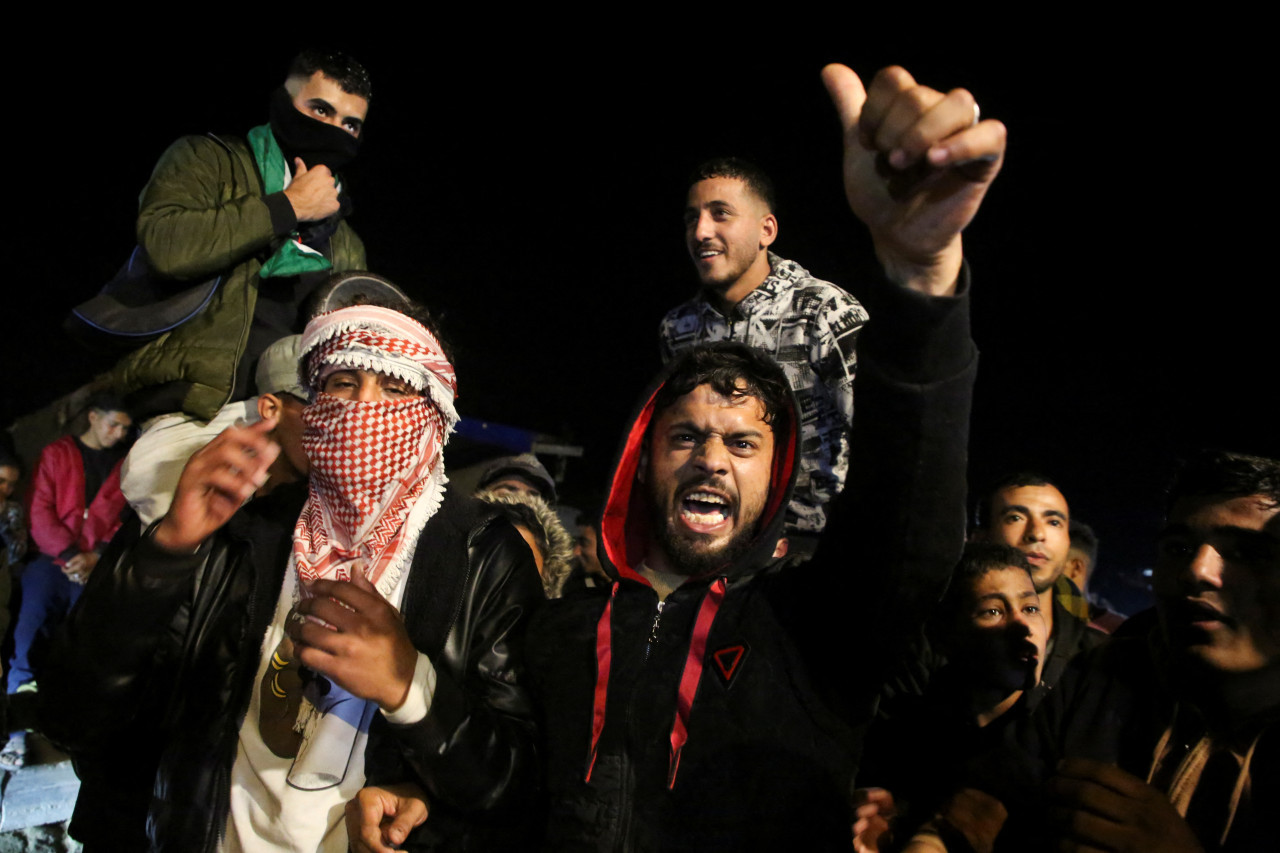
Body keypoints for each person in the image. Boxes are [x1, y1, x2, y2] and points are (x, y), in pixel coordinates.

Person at [352, 60, 1004, 851]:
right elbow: (515, 788)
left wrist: (921, 280)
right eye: (687, 435)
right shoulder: (559, 634)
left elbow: (904, 496)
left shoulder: (810, 638)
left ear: (767, 227)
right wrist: (427, 793)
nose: (701, 230)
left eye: (742, 440)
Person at [42, 292, 543, 851]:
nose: (362, 410)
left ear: (434, 411)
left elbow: (514, 784)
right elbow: (75, 717)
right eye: (342, 384)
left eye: (395, 388)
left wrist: (411, 690)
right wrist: (164, 554)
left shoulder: (480, 554)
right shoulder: (242, 530)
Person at [907, 449, 1279, 852]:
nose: (1196, 571)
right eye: (1179, 548)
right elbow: (985, 804)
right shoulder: (1100, 677)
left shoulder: (1094, 646)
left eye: (1246, 551)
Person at [107, 49, 371, 422]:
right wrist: (289, 207)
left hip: (287, 424)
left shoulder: (345, 240)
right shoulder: (208, 160)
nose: (334, 130)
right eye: (320, 110)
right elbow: (168, 249)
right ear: (284, 99)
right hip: (192, 407)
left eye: (350, 125)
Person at [659, 156, 869, 541]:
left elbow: (879, 440)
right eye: (692, 217)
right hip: (714, 542)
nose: (701, 230)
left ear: (766, 230)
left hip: (814, 546)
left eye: (720, 214)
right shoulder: (679, 329)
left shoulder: (825, 312)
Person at [853, 543, 1048, 852]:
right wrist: (881, 817)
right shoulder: (906, 732)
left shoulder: (1055, 736)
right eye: (993, 611)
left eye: (1030, 608)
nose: (1023, 626)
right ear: (945, 635)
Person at [7, 394, 131, 695]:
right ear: (93, 417)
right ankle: (18, 708)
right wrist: (71, 554)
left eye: (125, 429)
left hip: (93, 564)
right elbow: (39, 508)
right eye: (113, 425)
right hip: (50, 558)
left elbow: (123, 517)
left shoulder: (124, 466)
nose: (119, 434)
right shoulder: (57, 454)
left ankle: (64, 704)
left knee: (87, 633)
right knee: (29, 627)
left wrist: (97, 555)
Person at [972, 472, 1106, 698]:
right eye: (1015, 518)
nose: (1037, 534)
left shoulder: (1099, 656)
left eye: (1054, 522)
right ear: (979, 538)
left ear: (1067, 542)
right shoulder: (935, 641)